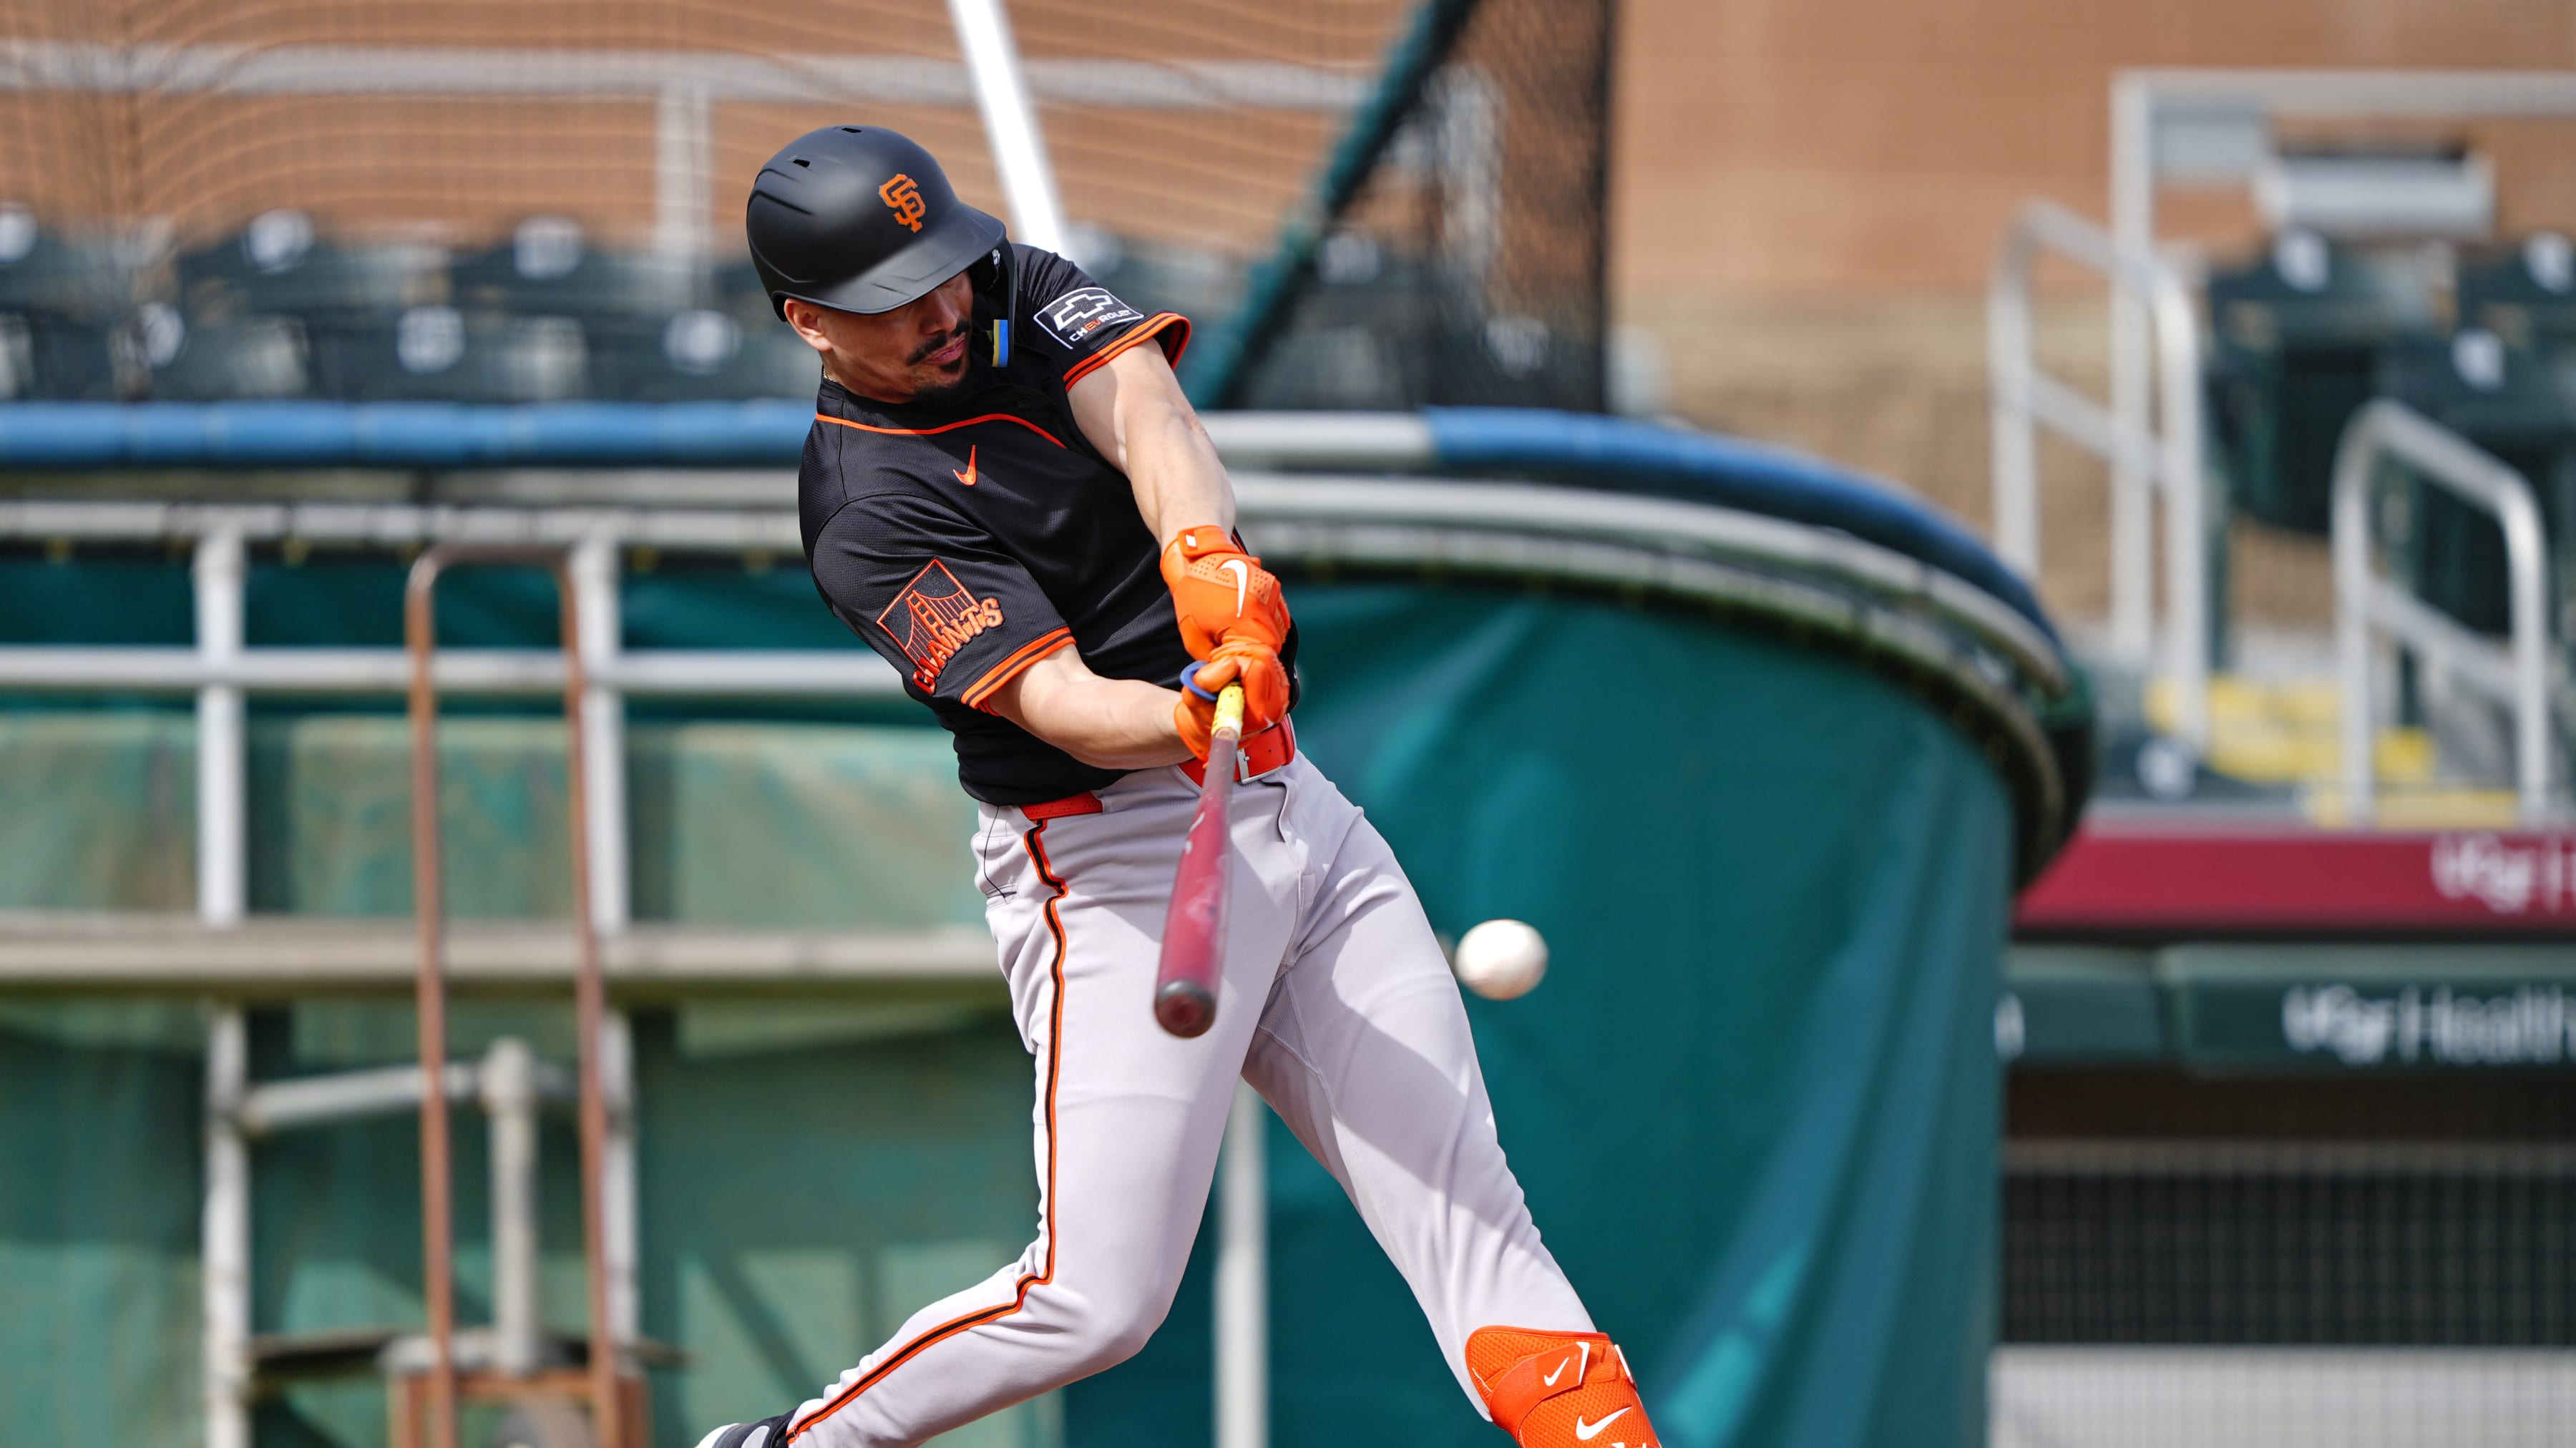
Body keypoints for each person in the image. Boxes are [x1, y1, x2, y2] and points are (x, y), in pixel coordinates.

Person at [693, 125, 1660, 1448]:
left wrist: (1206, 559)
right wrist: (1182, 710)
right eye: (890, 300)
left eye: (943, 273)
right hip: (1113, 869)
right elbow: (1060, 708)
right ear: (810, 322)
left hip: (1295, 817)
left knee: (1473, 1216)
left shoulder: (1002, 283)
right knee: (1096, 1300)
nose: (938, 310)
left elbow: (1148, 414)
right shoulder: (866, 510)